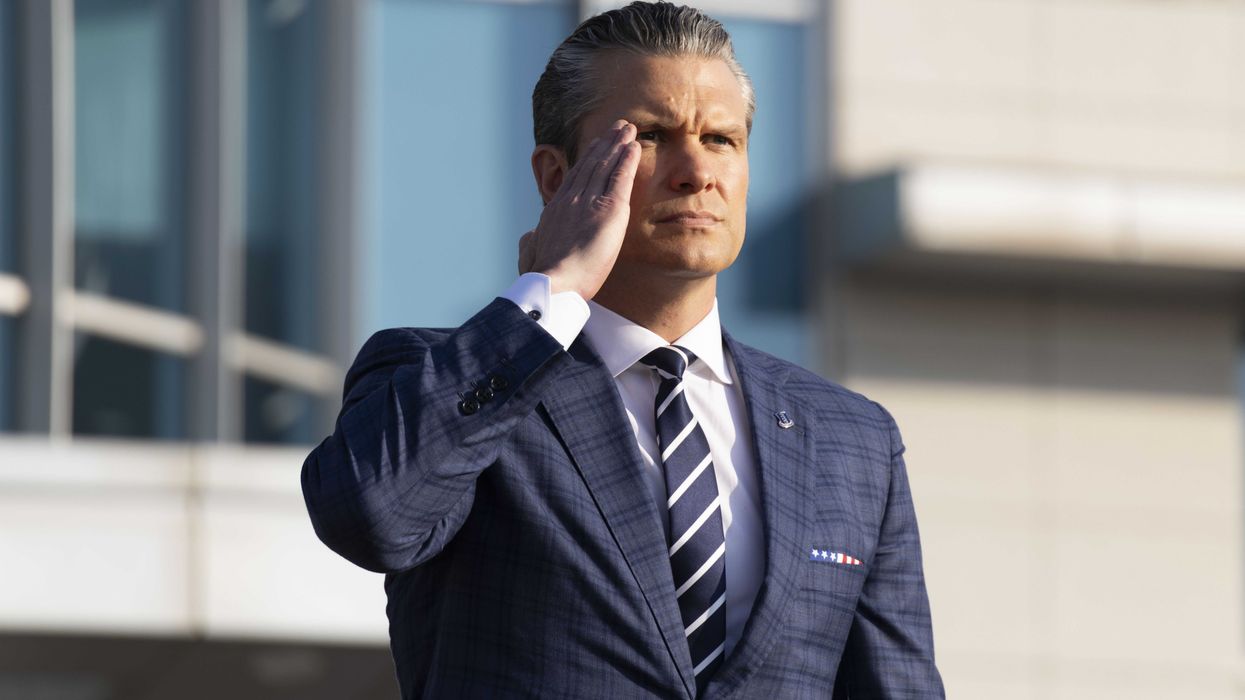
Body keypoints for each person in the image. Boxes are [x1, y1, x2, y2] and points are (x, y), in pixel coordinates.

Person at [301, 2, 944, 698]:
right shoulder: (447, 376)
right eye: (653, 137)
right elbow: (370, 519)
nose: (696, 172)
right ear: (556, 178)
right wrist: (552, 289)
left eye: (721, 139)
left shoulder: (853, 439)